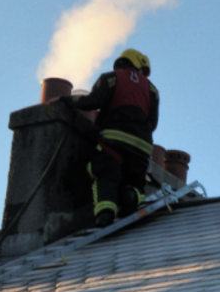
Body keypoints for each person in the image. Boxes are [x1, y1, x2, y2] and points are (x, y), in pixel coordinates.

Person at [58, 49, 159, 227]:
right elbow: (153, 123)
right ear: (137, 64)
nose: (142, 76)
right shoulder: (153, 90)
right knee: (134, 181)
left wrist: (65, 100)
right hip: (142, 148)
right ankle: (129, 198)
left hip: (113, 142)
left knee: (105, 175)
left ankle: (105, 215)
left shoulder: (110, 78)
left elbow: (92, 102)